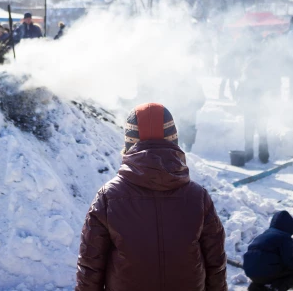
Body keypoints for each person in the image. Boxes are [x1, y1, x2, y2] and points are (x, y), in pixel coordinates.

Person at [75, 103, 227, 291]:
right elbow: (216, 264)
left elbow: (91, 267)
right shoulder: (198, 197)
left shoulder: (108, 197)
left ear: (130, 143)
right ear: (173, 141)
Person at [243, 210, 293, 291]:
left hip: (250, 271)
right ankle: (275, 289)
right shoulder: (284, 237)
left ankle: (255, 288)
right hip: (266, 271)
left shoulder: (265, 234)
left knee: (262, 273)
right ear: (289, 226)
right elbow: (290, 260)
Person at [236, 58, 270, 163]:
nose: (257, 71)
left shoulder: (263, 80)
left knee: (262, 134)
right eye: (255, 69)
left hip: (261, 111)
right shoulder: (245, 80)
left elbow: (268, 95)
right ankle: (249, 154)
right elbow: (239, 94)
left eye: (258, 69)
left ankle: (264, 156)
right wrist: (242, 104)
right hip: (249, 111)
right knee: (248, 134)